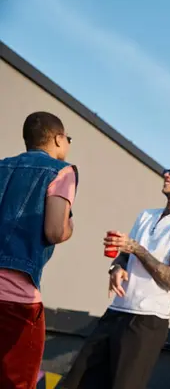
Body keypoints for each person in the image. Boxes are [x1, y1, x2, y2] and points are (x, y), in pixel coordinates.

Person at [60, 157, 170, 389]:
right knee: (74, 383)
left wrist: (136, 248)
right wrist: (116, 267)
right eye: (168, 170)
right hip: (115, 313)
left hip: (146, 323)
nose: (167, 174)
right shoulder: (146, 215)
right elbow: (124, 255)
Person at [0, 111, 78, 389]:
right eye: (68, 138)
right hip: (16, 299)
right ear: (58, 139)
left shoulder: (2, 166)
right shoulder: (62, 171)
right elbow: (55, 231)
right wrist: (70, 226)